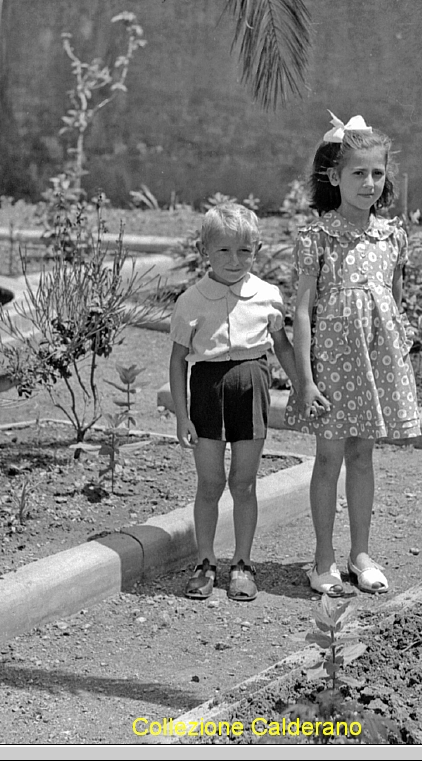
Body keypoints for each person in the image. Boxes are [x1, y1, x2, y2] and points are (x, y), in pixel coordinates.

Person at [284, 112, 421, 596]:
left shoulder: (392, 235)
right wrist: (306, 379)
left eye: (377, 174)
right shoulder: (317, 236)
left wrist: (397, 358)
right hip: (332, 365)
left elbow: (394, 301)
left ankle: (360, 553)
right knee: (328, 459)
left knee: (363, 455)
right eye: (358, 173)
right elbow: (302, 313)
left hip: (375, 363)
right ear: (334, 176)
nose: (369, 183)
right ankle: (323, 559)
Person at [169, 203, 298, 602]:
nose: (235, 260)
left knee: (244, 483)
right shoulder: (191, 300)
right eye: (224, 250)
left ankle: (242, 563)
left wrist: (302, 387)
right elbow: (177, 360)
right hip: (207, 391)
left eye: (245, 250)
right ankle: (205, 561)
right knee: (210, 483)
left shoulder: (268, 296)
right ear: (205, 250)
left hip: (252, 389)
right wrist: (182, 416)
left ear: (256, 250)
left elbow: (282, 346)